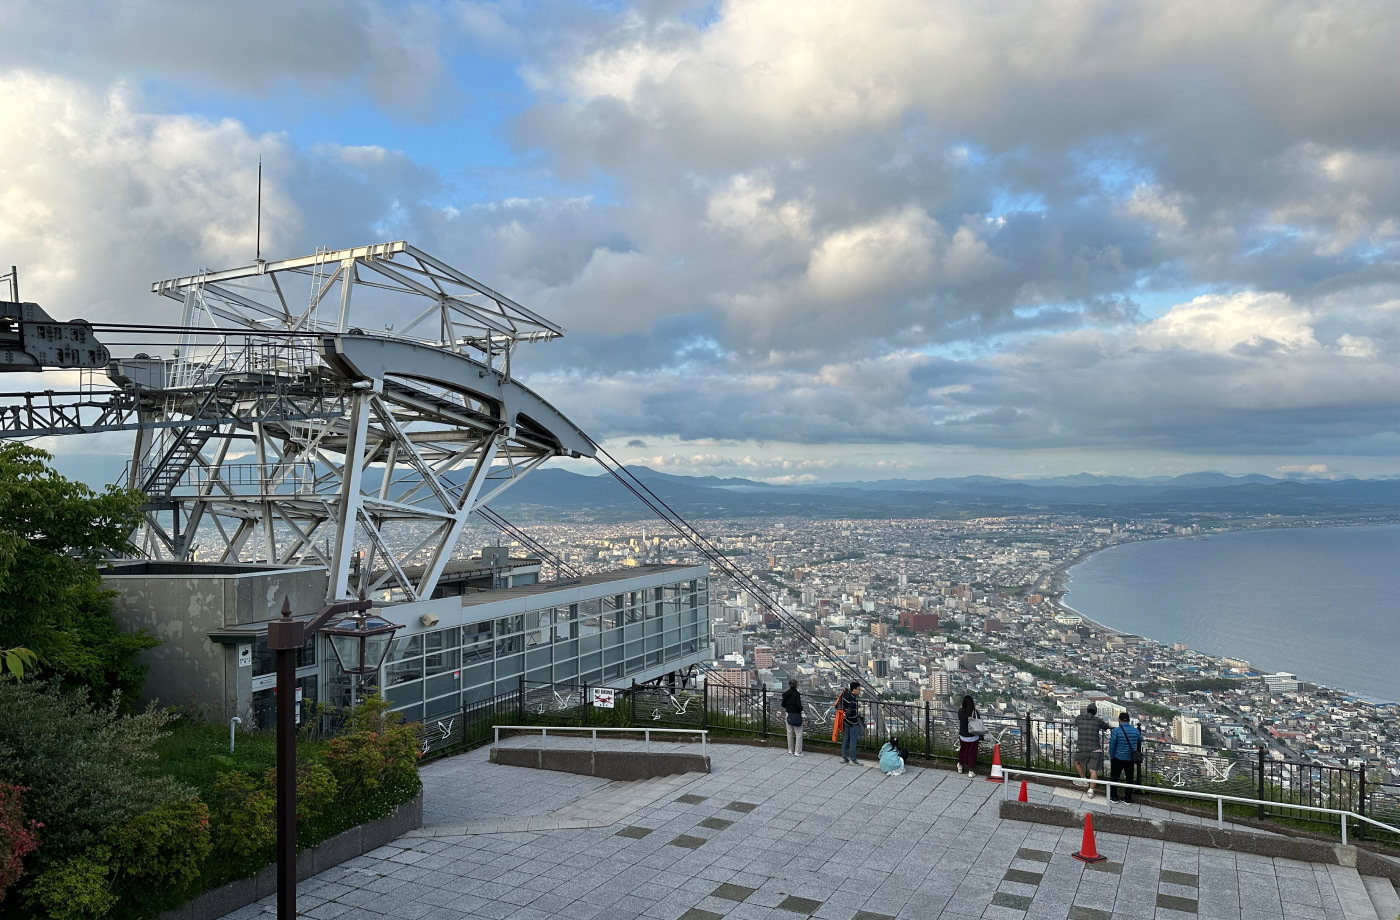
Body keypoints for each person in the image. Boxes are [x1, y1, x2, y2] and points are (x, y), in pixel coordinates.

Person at [1072, 703, 1111, 795]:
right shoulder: (1098, 721)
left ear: (1087, 710)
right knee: (1093, 770)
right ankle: (1091, 790)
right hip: (1095, 749)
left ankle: (1083, 779)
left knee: (1076, 761)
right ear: (1095, 712)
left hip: (1082, 748)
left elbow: (1075, 723)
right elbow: (1106, 727)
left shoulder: (1080, 718)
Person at [1108, 711, 1143, 802]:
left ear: (1119, 720)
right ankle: (1128, 798)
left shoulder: (1116, 731)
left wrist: (1112, 756)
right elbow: (1140, 739)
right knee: (1129, 778)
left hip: (1118, 757)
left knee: (1114, 777)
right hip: (1130, 758)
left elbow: (1112, 745)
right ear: (1129, 720)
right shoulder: (1135, 731)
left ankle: (1114, 796)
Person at [836, 681, 864, 764]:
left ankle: (843, 757)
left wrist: (844, 715)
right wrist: (854, 718)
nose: (859, 691)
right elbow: (849, 711)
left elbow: (839, 705)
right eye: (858, 689)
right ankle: (853, 759)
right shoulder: (853, 699)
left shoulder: (845, 694)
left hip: (845, 721)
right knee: (853, 741)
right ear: (854, 690)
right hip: (852, 722)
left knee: (845, 739)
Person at [956, 695, 981, 775]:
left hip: (963, 736)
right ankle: (970, 770)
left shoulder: (960, 711)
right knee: (972, 752)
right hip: (973, 736)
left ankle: (960, 766)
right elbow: (978, 721)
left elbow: (961, 719)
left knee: (963, 750)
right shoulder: (975, 712)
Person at [781, 678, 804, 756]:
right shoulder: (796, 694)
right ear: (796, 685)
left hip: (788, 714)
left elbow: (783, 704)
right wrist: (801, 709)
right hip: (796, 715)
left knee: (789, 732)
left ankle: (790, 750)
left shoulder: (786, 694)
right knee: (799, 733)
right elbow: (798, 705)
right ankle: (798, 751)